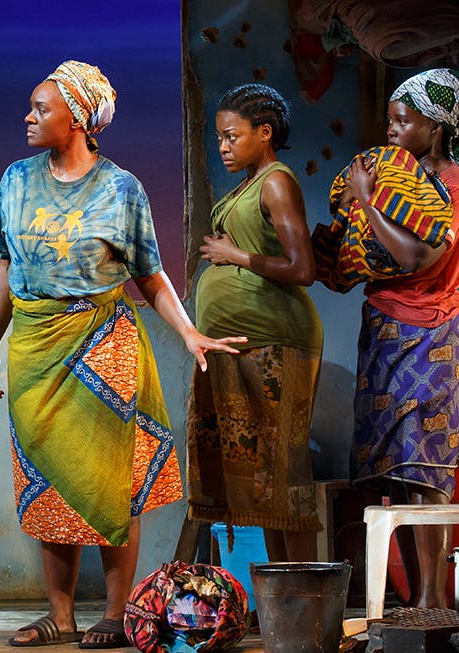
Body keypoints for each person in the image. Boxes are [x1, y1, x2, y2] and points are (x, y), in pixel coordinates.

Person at [0, 60, 245, 649]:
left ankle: (118, 614)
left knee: (110, 479)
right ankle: (61, 615)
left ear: (76, 118)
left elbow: (149, 274)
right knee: (46, 479)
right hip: (35, 348)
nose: (28, 117)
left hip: (102, 345)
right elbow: (5, 265)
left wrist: (188, 332)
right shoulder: (15, 180)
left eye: (41, 109)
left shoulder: (121, 189)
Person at [346, 68, 459, 607]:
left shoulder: (454, 184)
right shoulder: (397, 176)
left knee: (426, 470)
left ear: (435, 128)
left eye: (403, 120)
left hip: (432, 333)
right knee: (396, 474)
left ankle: (433, 601)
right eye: (389, 120)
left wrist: (367, 200)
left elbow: (417, 256)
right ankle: (415, 599)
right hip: (386, 329)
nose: (392, 129)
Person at [187, 83, 324, 562]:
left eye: (232, 136)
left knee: (281, 471)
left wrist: (235, 255)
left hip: (276, 341)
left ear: (264, 133)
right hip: (241, 343)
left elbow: (302, 269)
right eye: (219, 138)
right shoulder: (249, 183)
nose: (223, 147)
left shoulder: (276, 182)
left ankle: (303, 589)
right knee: (260, 482)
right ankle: (277, 592)